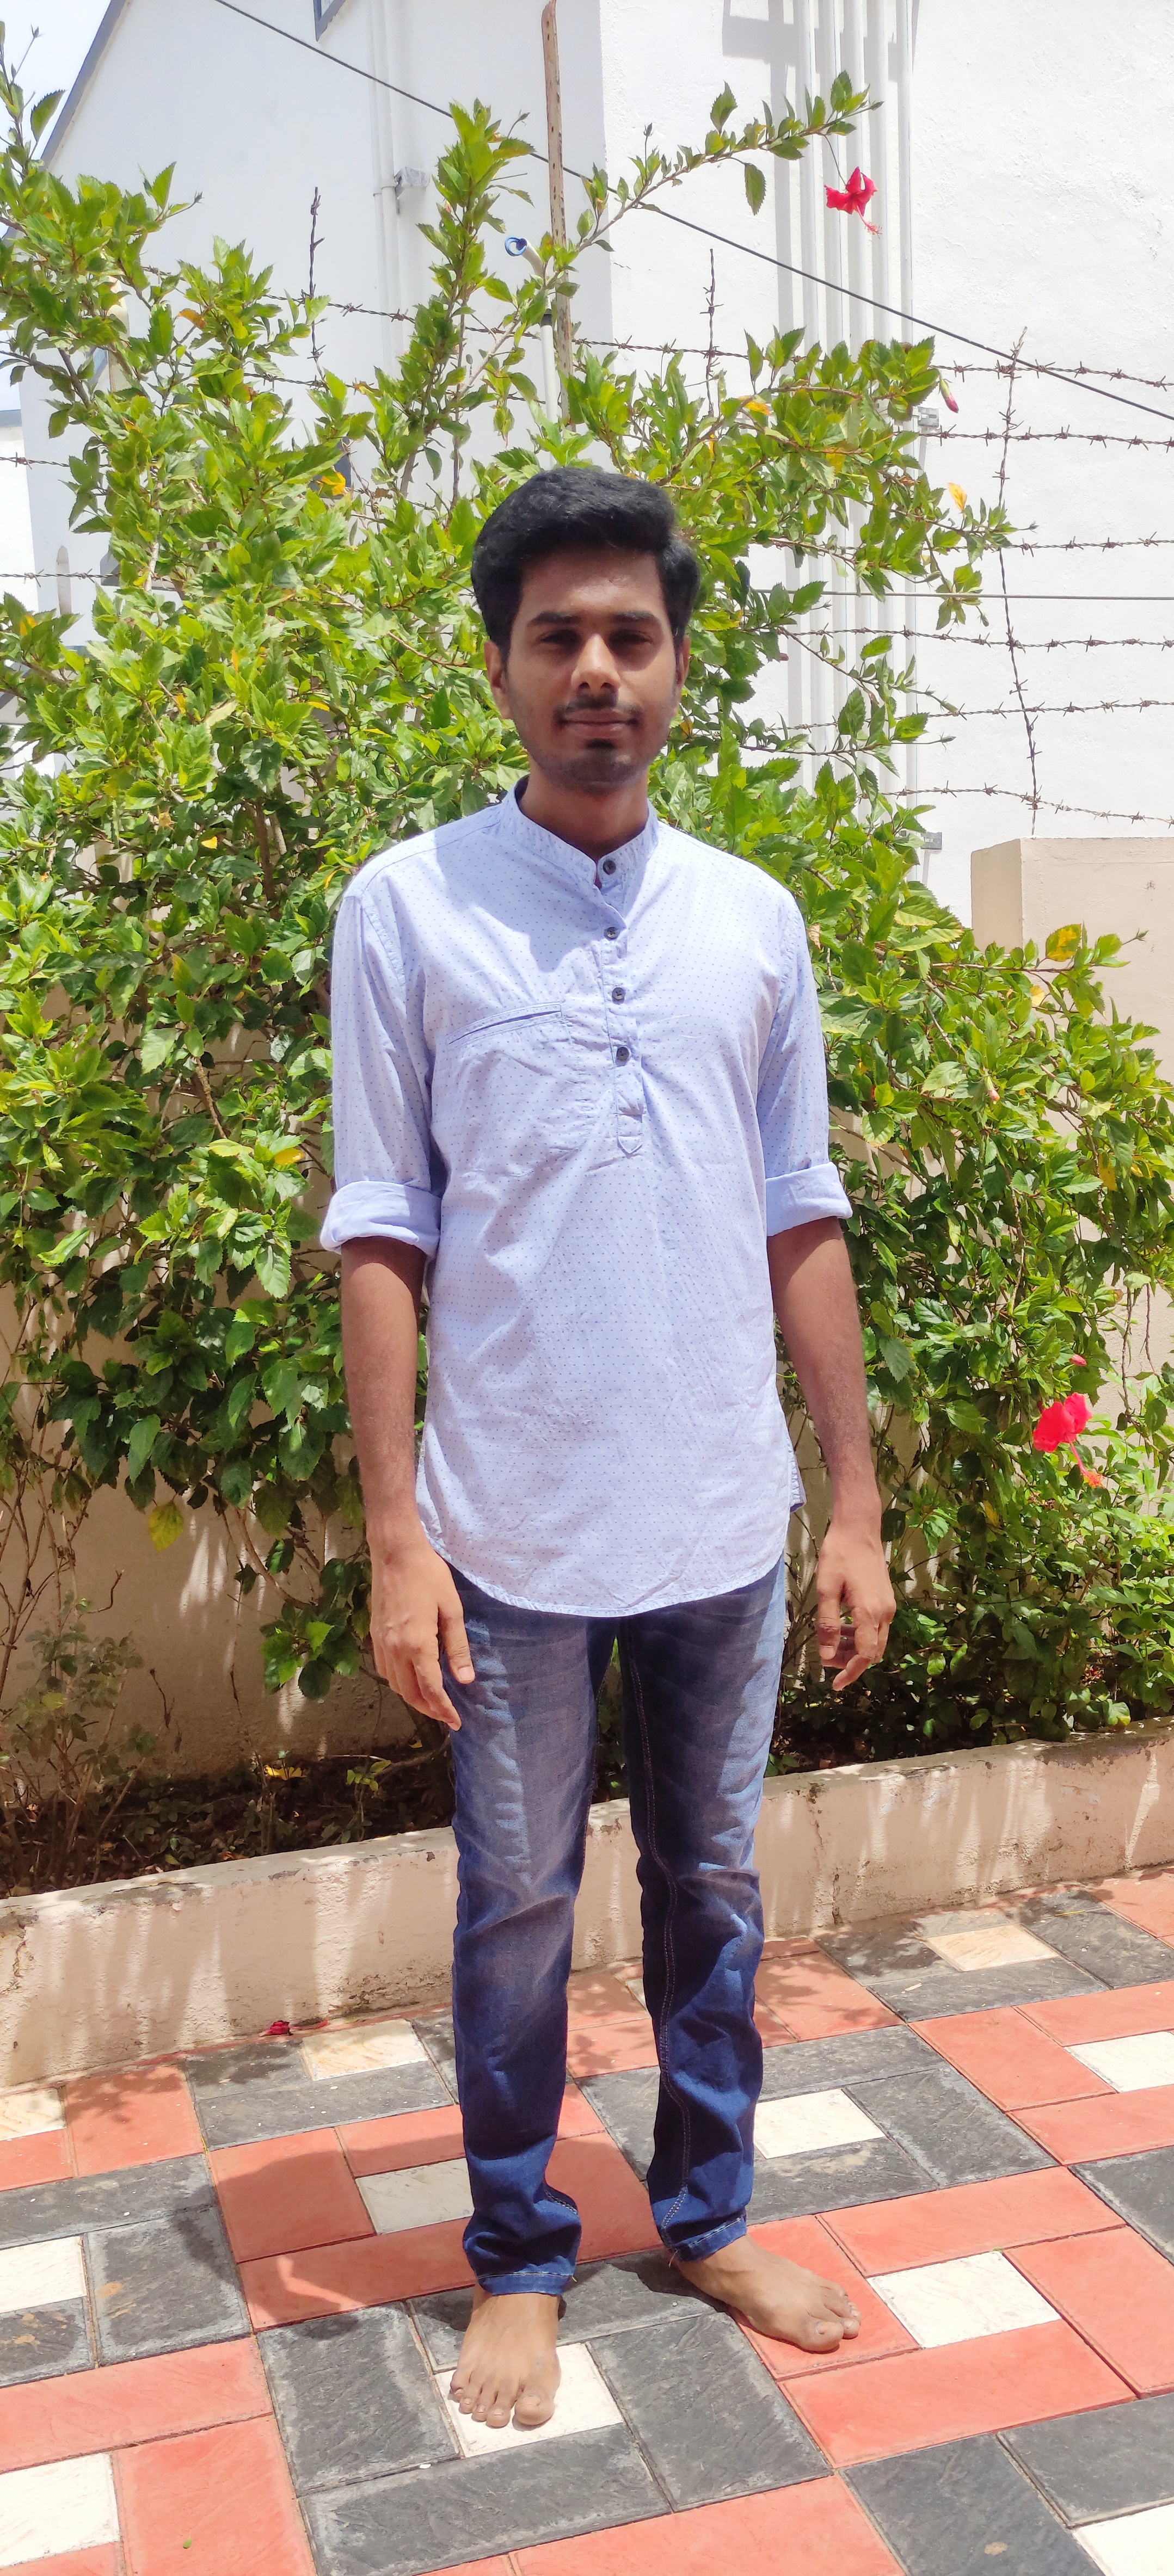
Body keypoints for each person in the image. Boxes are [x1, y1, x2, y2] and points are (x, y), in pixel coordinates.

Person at [322, 465, 895, 2436]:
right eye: (555, 636)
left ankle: (708, 2214)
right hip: (510, 1531)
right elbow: (382, 1229)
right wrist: (398, 1537)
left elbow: (799, 1208)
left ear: (677, 667)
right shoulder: (406, 908)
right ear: (499, 670)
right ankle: (517, 2255)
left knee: (714, 1884)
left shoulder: (753, 918)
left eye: (630, 636)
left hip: (725, 1512)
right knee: (513, 1901)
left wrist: (854, 1500)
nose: (596, 671)